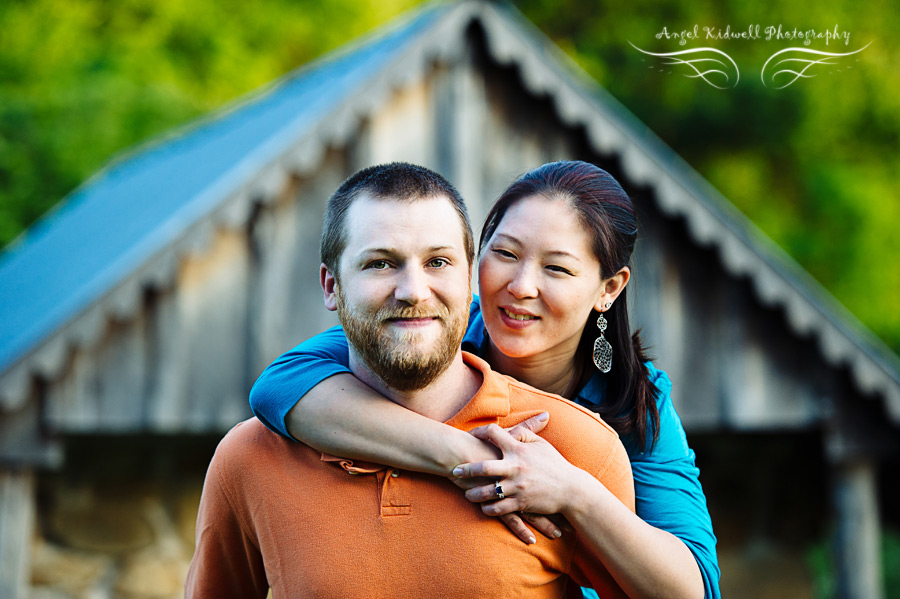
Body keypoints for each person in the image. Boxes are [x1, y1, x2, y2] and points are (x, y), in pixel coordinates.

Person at [250, 161, 720, 599]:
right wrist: (473, 459)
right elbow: (278, 386)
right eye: (505, 253)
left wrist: (572, 492)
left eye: (555, 268)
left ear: (608, 289)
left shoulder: (634, 403)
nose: (520, 286)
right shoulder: (429, 333)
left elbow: (694, 586)